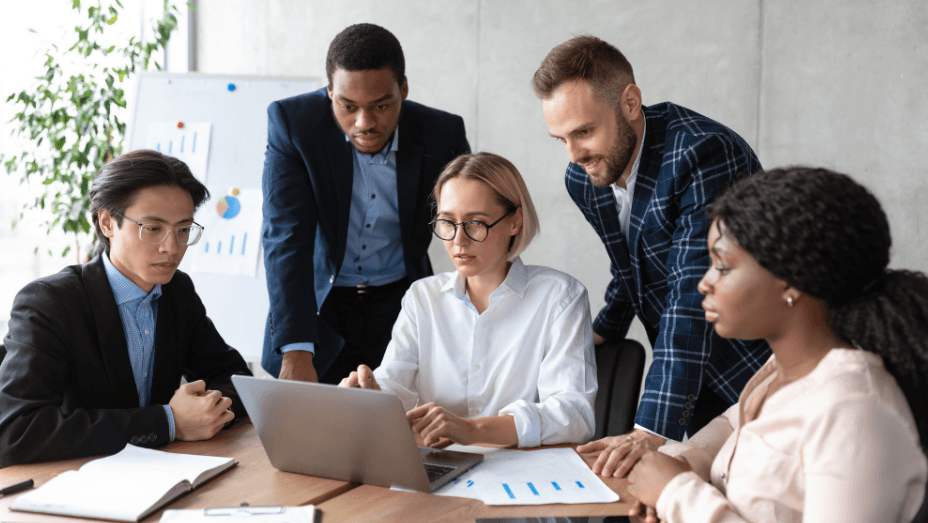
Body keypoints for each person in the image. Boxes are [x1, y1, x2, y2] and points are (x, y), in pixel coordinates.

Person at [624, 167, 928, 522]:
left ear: (791, 282)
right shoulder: (781, 372)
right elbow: (735, 424)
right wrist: (686, 461)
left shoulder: (854, 408)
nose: (704, 284)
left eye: (722, 267)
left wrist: (676, 494)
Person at [533, 35, 771, 462]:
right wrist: (606, 327)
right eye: (561, 139)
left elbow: (692, 293)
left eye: (584, 131)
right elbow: (632, 262)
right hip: (682, 379)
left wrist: (648, 431)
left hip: (751, 368)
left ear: (629, 102)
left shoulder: (703, 154)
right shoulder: (583, 177)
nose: (574, 155)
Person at [0, 150, 252, 467]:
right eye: (153, 228)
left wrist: (206, 410)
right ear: (108, 223)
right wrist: (168, 421)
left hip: (160, 472)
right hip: (71, 484)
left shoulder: (177, 291)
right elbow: (14, 432)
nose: (171, 248)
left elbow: (236, 378)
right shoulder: (50, 302)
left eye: (183, 229)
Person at [339, 153, 597, 448]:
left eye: (475, 223)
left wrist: (472, 430)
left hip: (518, 472)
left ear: (515, 221)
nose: (458, 241)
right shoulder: (422, 298)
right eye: (447, 222)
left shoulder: (559, 297)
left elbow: (574, 416)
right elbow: (394, 384)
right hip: (435, 466)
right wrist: (369, 392)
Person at [261, 23, 470, 384]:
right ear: (329, 92)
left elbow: (469, 223)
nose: (364, 123)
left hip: (402, 302)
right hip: (322, 307)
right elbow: (285, 237)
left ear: (403, 89)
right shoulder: (294, 125)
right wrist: (297, 349)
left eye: (381, 105)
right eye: (347, 106)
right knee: (316, 431)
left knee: (400, 429)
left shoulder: (442, 133)